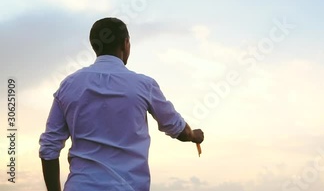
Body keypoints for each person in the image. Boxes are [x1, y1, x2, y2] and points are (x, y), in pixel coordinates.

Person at [39, 17, 204, 191]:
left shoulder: (69, 85)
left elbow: (49, 148)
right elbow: (177, 129)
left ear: (94, 46)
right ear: (125, 43)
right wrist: (194, 136)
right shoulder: (143, 85)